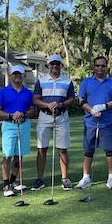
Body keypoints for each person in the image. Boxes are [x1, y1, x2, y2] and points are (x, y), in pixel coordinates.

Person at [31, 54, 76, 191]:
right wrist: (48, 105)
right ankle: (40, 179)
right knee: (42, 149)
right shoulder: (41, 81)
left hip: (61, 117)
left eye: (57, 64)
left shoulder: (67, 81)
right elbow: (36, 99)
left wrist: (60, 104)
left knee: (62, 149)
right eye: (52, 64)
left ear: (61, 65)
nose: (55, 66)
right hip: (45, 117)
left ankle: (64, 178)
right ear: (48, 65)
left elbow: (71, 99)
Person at [76, 56, 112, 190]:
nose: (100, 68)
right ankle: (86, 178)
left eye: (102, 66)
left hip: (106, 122)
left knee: (109, 150)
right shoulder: (86, 82)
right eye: (97, 65)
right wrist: (91, 110)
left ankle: (111, 178)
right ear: (94, 66)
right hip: (90, 122)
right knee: (89, 150)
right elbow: (81, 100)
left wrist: (103, 106)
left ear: (106, 67)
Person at [0, 65, 35, 197]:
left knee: (19, 155)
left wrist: (23, 113)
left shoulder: (28, 92)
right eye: (15, 74)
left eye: (20, 74)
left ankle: (13, 181)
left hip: (24, 125)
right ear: (10, 76)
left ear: (24, 76)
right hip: (9, 125)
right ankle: (6, 185)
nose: (17, 76)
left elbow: (33, 110)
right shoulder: (3, 92)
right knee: (7, 155)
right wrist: (11, 115)